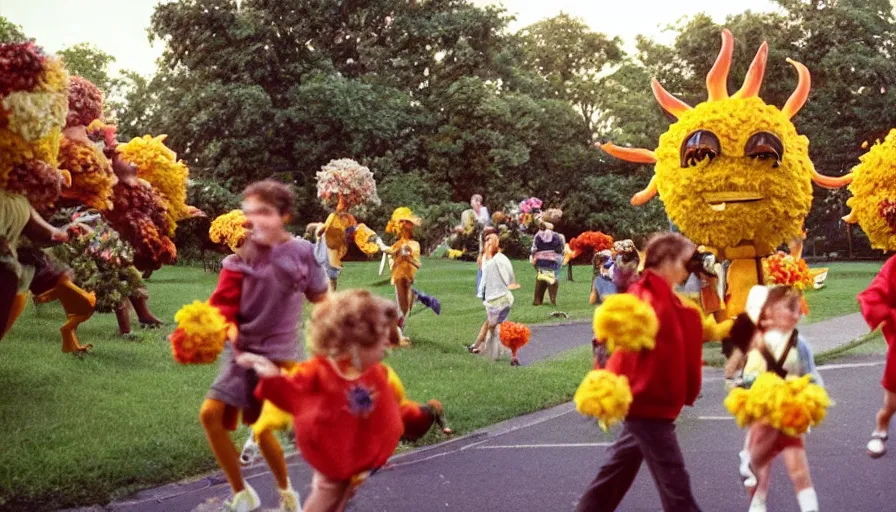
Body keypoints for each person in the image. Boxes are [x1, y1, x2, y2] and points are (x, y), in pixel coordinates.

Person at [238, 290, 448, 512]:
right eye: (379, 342)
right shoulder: (322, 372)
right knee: (328, 490)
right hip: (330, 448)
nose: (386, 347)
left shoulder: (379, 376)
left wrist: (415, 418)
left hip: (354, 452)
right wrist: (270, 376)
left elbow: (396, 405)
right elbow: (293, 388)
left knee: (344, 491)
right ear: (355, 345)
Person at [199, 180, 328, 512]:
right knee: (210, 415)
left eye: (264, 212)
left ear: (284, 215)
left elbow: (322, 299)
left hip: (279, 358)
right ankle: (242, 492)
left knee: (261, 427)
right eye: (250, 212)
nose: (255, 219)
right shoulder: (237, 261)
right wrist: (215, 332)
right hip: (240, 355)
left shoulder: (302, 253)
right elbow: (223, 309)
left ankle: (286, 494)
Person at [576, 232, 703, 512]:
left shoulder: (661, 297)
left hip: (651, 400)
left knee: (616, 473)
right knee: (675, 483)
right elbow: (619, 341)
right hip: (648, 400)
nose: (686, 269)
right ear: (667, 260)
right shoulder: (645, 297)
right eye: (684, 261)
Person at [738, 285, 821, 512]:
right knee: (760, 473)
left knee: (799, 470)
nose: (796, 314)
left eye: (798, 310)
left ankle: (810, 507)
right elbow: (749, 378)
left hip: (791, 419)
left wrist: (811, 406)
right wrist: (765, 390)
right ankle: (757, 502)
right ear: (769, 312)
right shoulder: (759, 344)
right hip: (765, 420)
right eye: (789, 309)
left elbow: (811, 375)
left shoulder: (800, 345)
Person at [378, 207, 440, 346]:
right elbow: (390, 256)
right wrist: (392, 251)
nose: (408, 225)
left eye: (408, 223)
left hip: (408, 279)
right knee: (402, 309)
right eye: (405, 222)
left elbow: (417, 264)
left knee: (404, 309)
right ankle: (396, 335)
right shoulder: (397, 245)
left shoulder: (414, 245)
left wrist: (408, 257)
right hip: (399, 278)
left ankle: (396, 333)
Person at [858, 254, 896, 458]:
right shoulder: (894, 265)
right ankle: (881, 426)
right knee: (891, 405)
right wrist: (884, 315)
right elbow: (874, 294)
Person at [468, 233, 519, 359]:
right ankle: (482, 346)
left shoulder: (495, 259)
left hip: (495, 294)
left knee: (492, 323)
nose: (488, 244)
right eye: (487, 242)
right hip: (490, 294)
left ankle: (480, 345)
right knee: (492, 323)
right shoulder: (486, 259)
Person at [530, 221, 564, 306]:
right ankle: (552, 300)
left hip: (540, 261)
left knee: (541, 278)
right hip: (552, 261)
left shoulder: (538, 236)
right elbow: (560, 248)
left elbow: (534, 249)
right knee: (552, 279)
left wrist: (534, 258)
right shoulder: (556, 236)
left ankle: (537, 300)